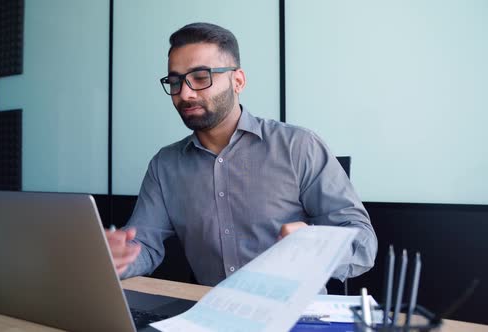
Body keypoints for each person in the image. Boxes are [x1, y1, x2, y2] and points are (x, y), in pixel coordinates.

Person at [106, 22, 377, 286]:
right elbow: (143, 245)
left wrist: (316, 245)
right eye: (175, 82)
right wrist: (115, 257)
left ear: (238, 81)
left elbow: (364, 244)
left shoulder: (298, 146)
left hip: (296, 316)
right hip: (209, 314)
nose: (185, 94)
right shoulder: (165, 165)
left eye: (201, 78)